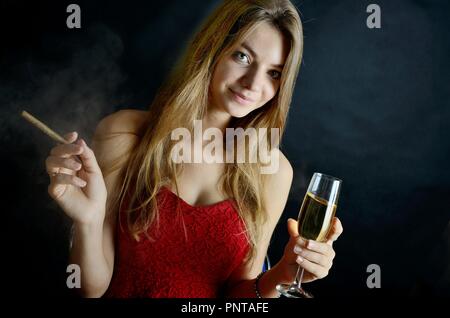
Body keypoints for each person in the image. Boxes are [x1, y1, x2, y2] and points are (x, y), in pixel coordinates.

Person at [45, 0, 343, 298]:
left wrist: (283, 273)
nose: (253, 83)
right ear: (211, 49)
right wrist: (88, 219)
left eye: (274, 73)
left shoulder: (273, 171)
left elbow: (238, 299)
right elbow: (91, 289)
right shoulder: (125, 133)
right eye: (242, 56)